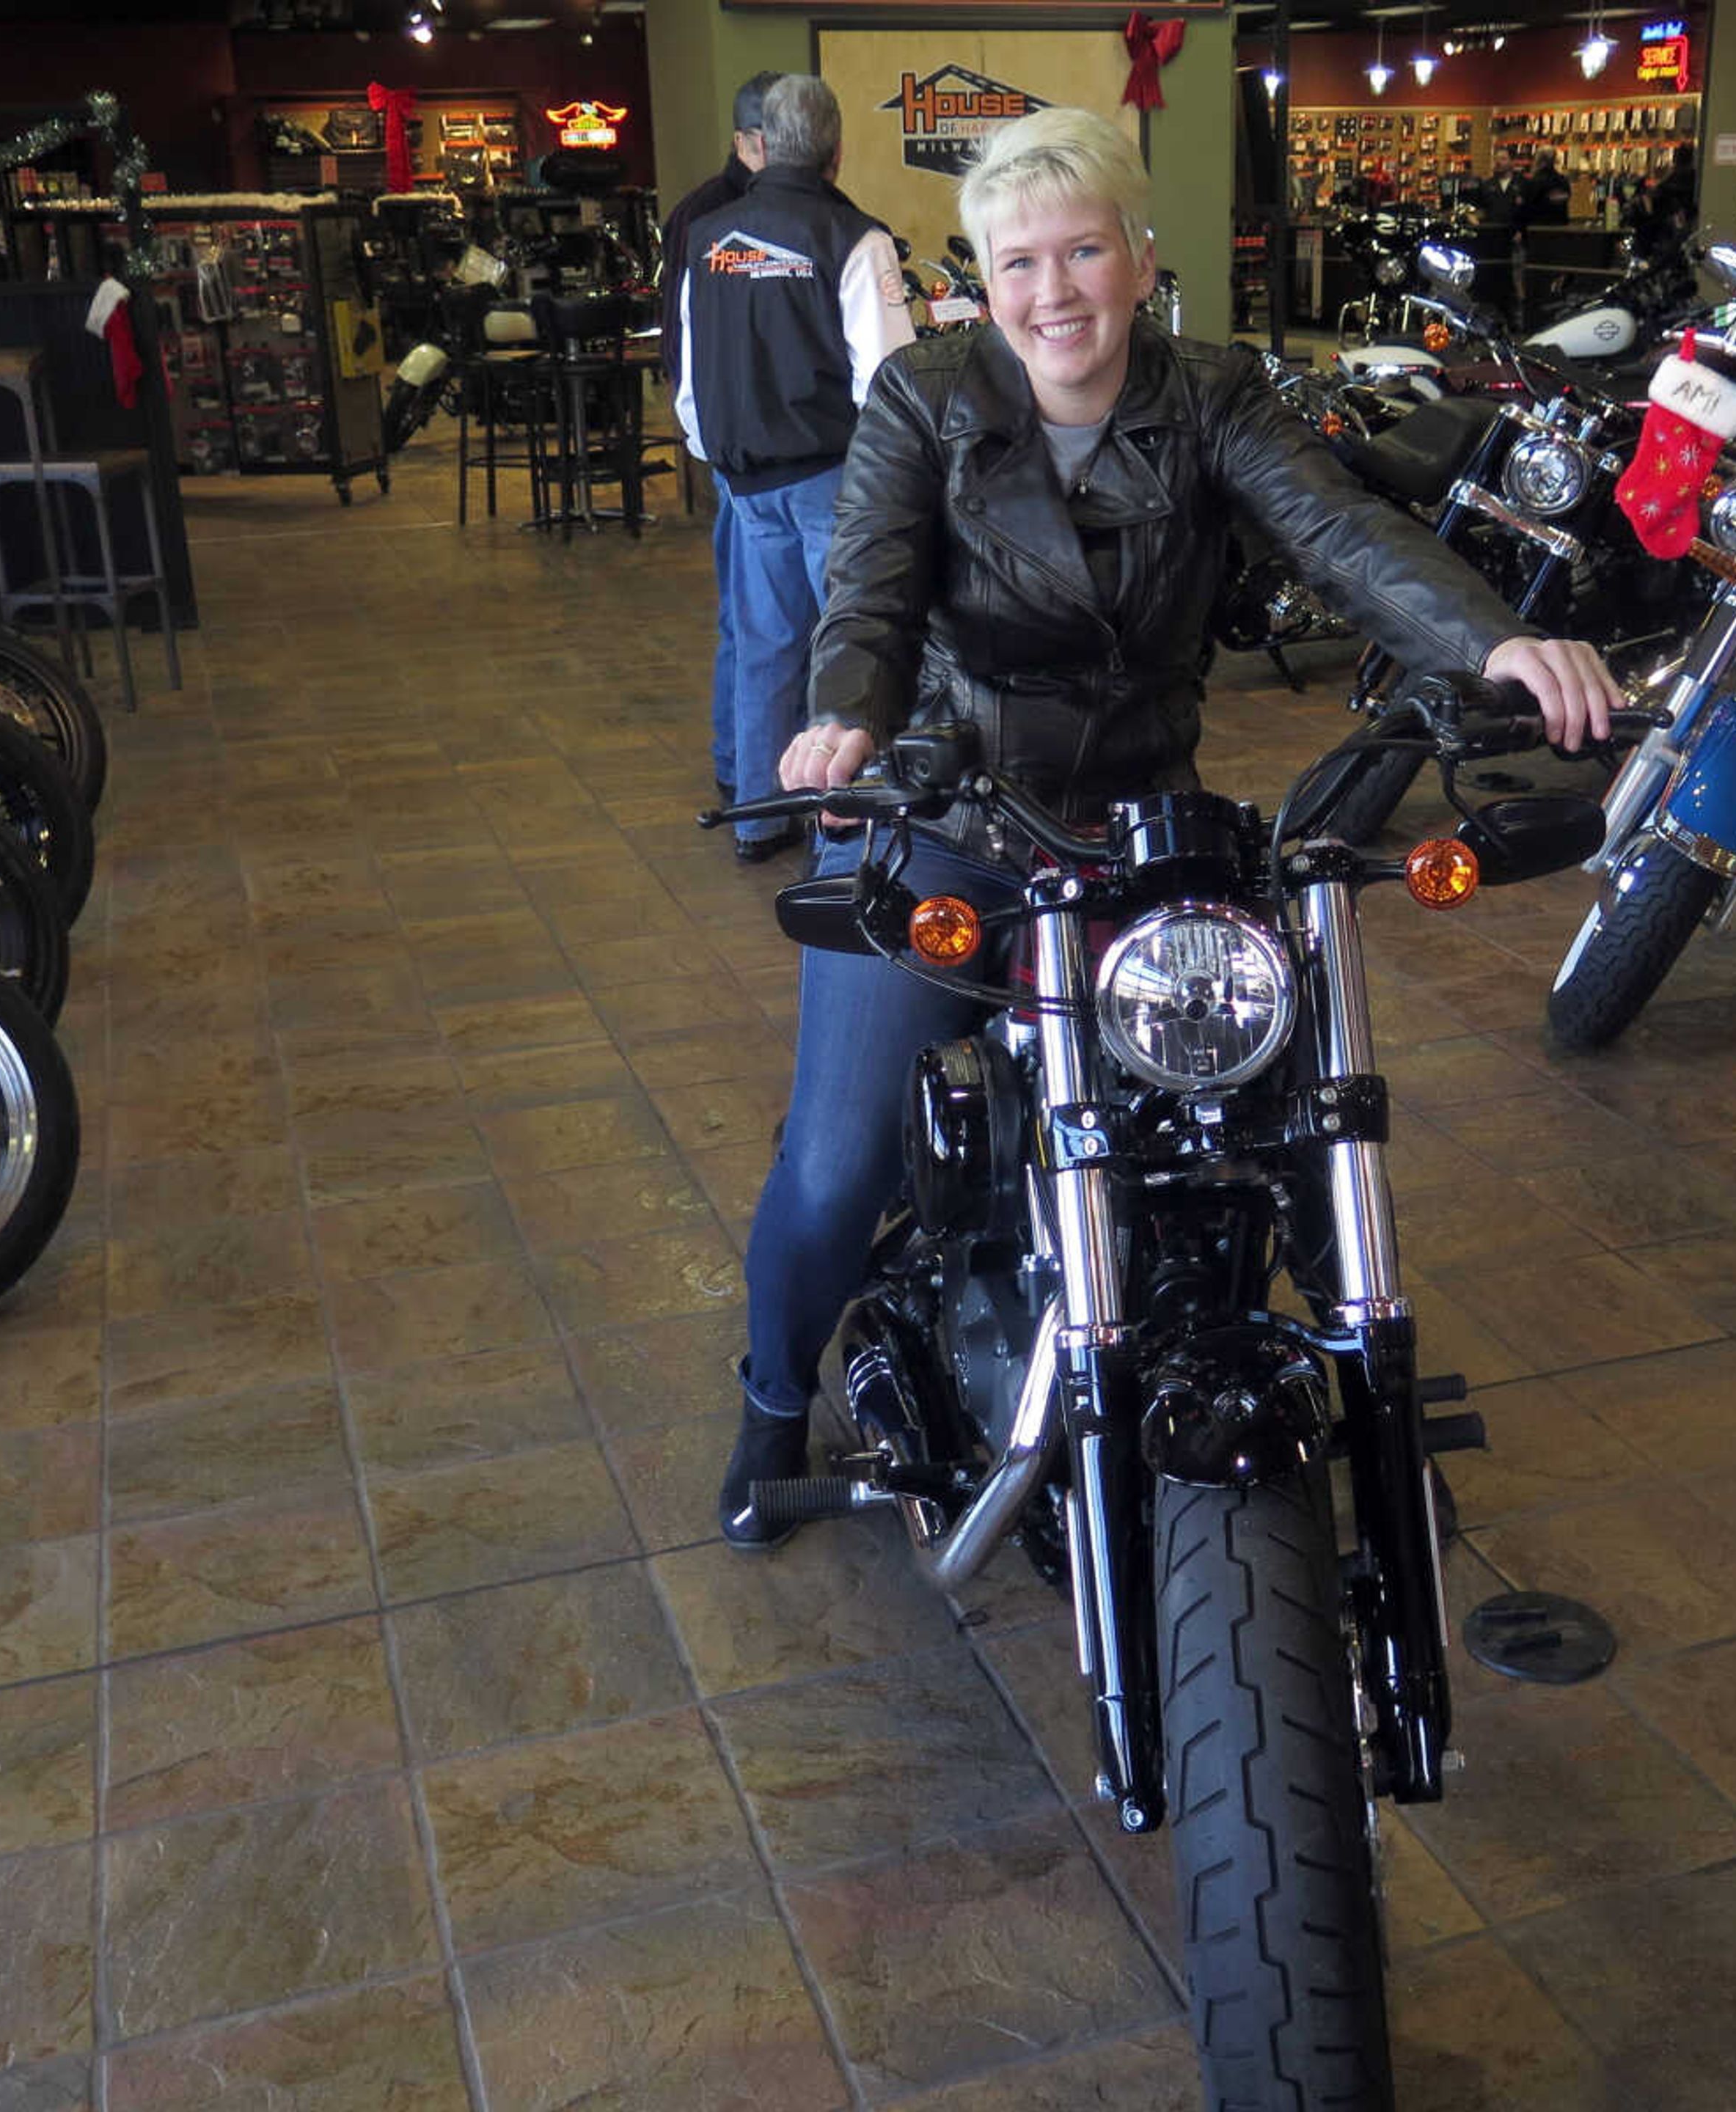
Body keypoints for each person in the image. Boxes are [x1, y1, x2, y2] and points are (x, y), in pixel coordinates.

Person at [713, 106, 1622, 1547]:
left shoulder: (1215, 395)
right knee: (840, 1163)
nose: (1054, 290)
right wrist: (847, 720)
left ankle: (1360, 1388)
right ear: (983, 278)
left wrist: (1491, 644)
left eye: (1084, 251)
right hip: (947, 808)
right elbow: (872, 595)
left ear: (1142, 260)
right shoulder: (925, 399)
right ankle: (771, 1400)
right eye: (1021, 262)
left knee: (1279, 1104)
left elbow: (1339, 535)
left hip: (1142, 823)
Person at [673, 75, 914, 862]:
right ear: (837, 152)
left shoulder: (706, 239)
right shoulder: (856, 239)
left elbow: (687, 378)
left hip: (744, 483)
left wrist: (719, 461)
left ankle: (758, 818)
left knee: (764, 647)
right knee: (855, 653)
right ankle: (849, 829)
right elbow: (889, 383)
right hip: (833, 481)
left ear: (763, 146)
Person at [661, 70, 778, 808]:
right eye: (774, 138)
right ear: (744, 140)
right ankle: (740, 768)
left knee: (761, 620)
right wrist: (707, 440)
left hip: (768, 444)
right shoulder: (706, 215)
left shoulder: (796, 211)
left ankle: (749, 768)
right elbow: (684, 340)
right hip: (743, 449)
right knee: (751, 621)